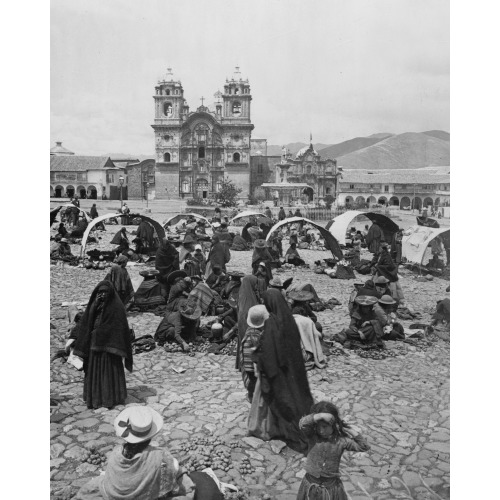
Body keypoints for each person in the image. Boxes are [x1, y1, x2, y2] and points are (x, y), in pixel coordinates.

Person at [75, 406, 198, 500]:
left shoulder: (116, 454)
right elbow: (174, 473)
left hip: (116, 495)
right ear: (150, 436)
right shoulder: (161, 457)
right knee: (183, 481)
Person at [248, 289, 314, 453]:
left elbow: (270, 351)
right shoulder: (289, 320)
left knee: (277, 400)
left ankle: (270, 428)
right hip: (292, 367)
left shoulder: (272, 323)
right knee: (295, 396)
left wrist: (258, 357)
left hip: (276, 370)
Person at [72, 281, 133, 409]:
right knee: (94, 372)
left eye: (105, 292)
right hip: (94, 345)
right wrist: (95, 304)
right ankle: (95, 398)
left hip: (110, 348)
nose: (103, 295)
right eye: (100, 292)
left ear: (110, 293)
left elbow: (120, 327)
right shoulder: (94, 305)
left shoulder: (117, 307)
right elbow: (86, 321)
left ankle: (111, 398)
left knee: (109, 373)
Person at [297, 401, 370, 500]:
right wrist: (320, 416)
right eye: (318, 427)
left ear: (334, 425)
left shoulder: (342, 441)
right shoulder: (312, 436)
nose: (321, 431)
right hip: (310, 484)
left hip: (330, 489)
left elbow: (364, 446)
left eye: (325, 427)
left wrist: (349, 430)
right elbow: (302, 424)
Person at [241, 305, 268, 402]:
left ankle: (251, 395)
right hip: (253, 364)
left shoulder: (249, 331)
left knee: (252, 382)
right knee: (255, 382)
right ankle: (254, 398)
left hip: (247, 363)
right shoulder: (256, 336)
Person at [236, 275, 262, 371]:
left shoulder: (243, 294)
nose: (256, 286)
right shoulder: (249, 299)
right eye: (254, 284)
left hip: (243, 323)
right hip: (248, 324)